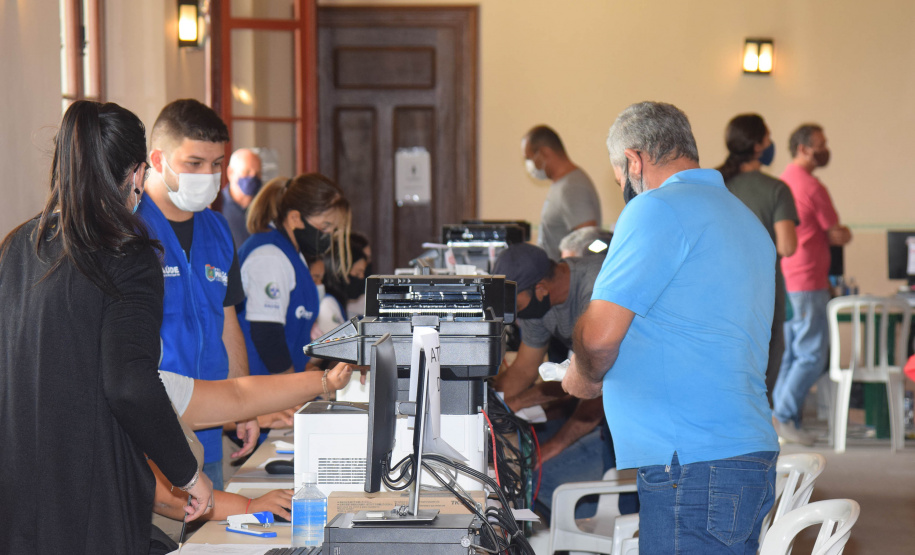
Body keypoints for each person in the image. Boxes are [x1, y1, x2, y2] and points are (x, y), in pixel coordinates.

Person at [563, 101, 779, 554]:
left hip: (691, 464)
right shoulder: (743, 219)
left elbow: (600, 337)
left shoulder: (655, 210)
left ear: (635, 160)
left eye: (620, 176)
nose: (624, 187)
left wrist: (580, 376)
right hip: (741, 454)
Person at [0, 100, 213, 554]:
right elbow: (129, 382)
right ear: (137, 175)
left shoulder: (18, 246)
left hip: (18, 497)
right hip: (90, 500)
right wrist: (188, 475)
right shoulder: (126, 253)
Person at [139, 98, 257, 491]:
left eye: (217, 163)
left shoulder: (219, 230)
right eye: (194, 163)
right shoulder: (132, 230)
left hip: (210, 432)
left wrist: (245, 406)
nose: (209, 175)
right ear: (158, 160)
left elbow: (228, 321)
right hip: (152, 432)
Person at [491, 243, 630, 519]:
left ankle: (583, 536)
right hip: (595, 398)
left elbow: (598, 388)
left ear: (541, 287)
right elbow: (525, 370)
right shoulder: (538, 301)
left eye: (515, 306)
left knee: (540, 478)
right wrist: (489, 407)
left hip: (623, 415)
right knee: (514, 455)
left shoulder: (597, 291)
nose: (515, 315)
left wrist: (553, 448)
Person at [151, 362, 357, 535]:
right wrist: (249, 507)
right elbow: (162, 495)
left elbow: (238, 395)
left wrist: (328, 380)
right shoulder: (132, 389)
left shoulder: (153, 381)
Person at [775, 124, 853, 445]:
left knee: (791, 354)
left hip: (786, 280)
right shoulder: (811, 186)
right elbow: (835, 232)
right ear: (804, 148)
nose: (826, 149)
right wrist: (845, 234)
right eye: (821, 144)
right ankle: (782, 415)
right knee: (811, 356)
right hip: (808, 281)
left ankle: (781, 419)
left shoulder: (783, 181)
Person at [717, 114, 799, 404]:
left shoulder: (714, 184)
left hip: (717, 296)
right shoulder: (776, 190)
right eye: (767, 137)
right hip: (763, 296)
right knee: (760, 388)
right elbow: (787, 246)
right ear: (757, 145)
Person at [238, 174, 351, 376]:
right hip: (262, 388)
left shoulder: (292, 254)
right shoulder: (269, 256)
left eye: (333, 230)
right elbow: (267, 336)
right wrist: (292, 389)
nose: (328, 237)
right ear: (294, 218)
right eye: (325, 227)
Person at [522, 125, 602, 260]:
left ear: (544, 153)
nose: (528, 165)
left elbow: (586, 245)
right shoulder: (561, 184)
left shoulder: (573, 187)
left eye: (529, 158)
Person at [322, 231, 372, 325]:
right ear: (340, 272)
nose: (362, 278)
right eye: (357, 273)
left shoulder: (339, 303)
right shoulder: (328, 304)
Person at [221, 148, 263, 247]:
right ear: (230, 172)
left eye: (257, 173)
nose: (253, 177)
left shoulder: (266, 208)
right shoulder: (216, 207)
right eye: (247, 172)